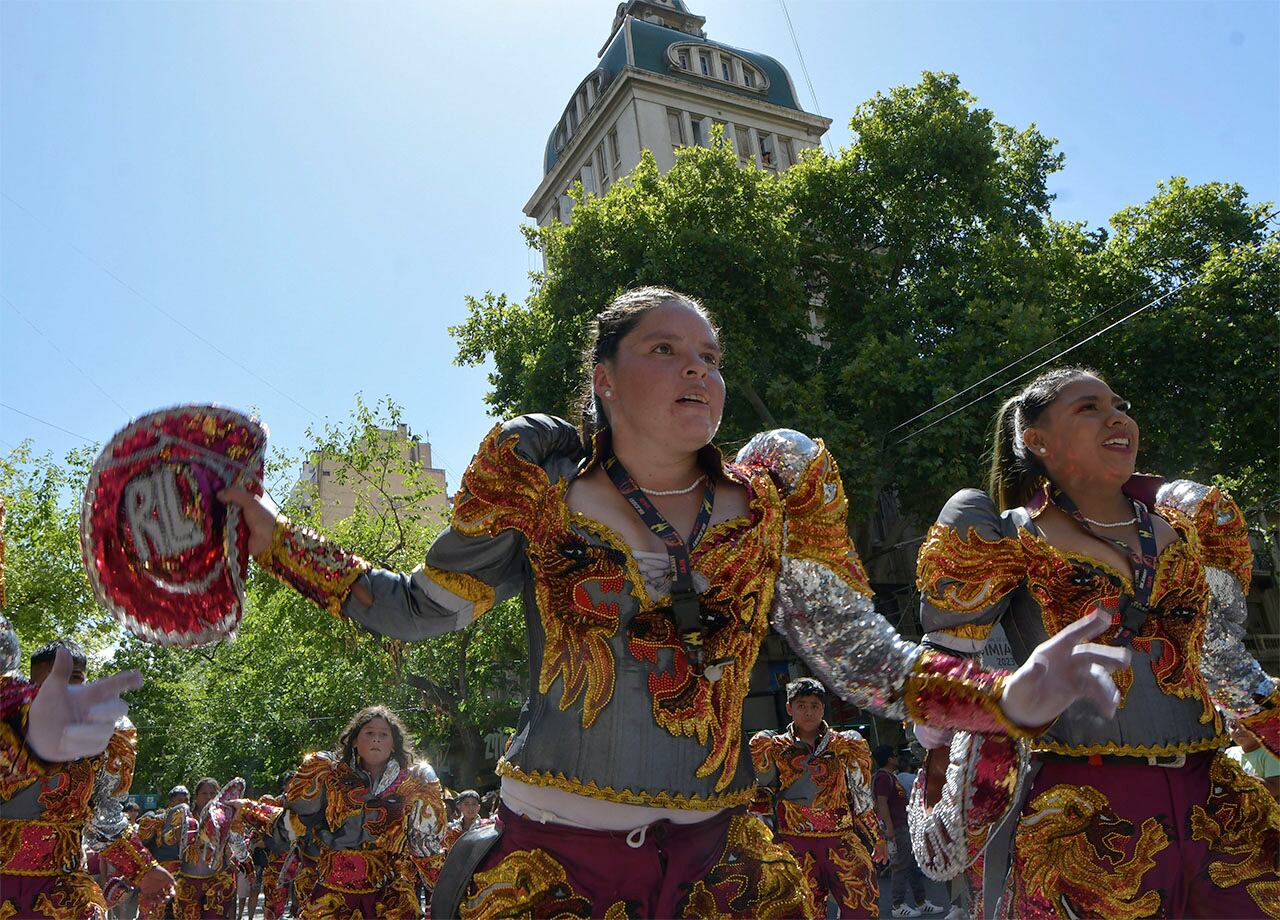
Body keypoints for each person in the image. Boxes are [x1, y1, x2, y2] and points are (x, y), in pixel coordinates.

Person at [220, 287, 1128, 919]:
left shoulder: (775, 496)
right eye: (665, 350)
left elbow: (867, 661)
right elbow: (418, 608)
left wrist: (1004, 696)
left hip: (721, 871)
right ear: (603, 378)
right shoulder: (538, 483)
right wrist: (276, 541)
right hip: (551, 866)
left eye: (710, 357)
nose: (698, 371)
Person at [909, 367, 1280, 918]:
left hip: (1215, 810)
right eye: (1089, 407)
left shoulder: (1194, 527)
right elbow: (940, 696)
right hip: (1080, 819)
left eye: (1120, 404)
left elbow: (1223, 661)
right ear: (1036, 440)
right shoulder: (999, 534)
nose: (1117, 416)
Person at [0, 638, 173, 919]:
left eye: (74, 680)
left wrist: (144, 868)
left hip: (64, 887)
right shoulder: (6, 729)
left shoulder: (105, 741)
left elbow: (104, 821)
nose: (63, 692)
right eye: (49, 685)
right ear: (31, 686)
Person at [233, 705, 446, 919]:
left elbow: (426, 850)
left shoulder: (414, 784)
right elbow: (292, 824)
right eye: (369, 733)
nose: (376, 740)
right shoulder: (328, 776)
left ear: (394, 744)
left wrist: (452, 892)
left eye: (383, 734)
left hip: (388, 899)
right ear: (354, 741)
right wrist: (248, 810)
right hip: (332, 897)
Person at [751, 677, 886, 918]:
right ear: (789, 708)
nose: (809, 712)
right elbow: (760, 799)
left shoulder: (846, 744)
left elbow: (861, 797)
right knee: (804, 913)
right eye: (801, 705)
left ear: (823, 709)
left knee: (862, 910)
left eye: (815, 705)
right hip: (795, 845)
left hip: (842, 841)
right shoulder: (772, 747)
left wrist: (878, 838)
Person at [874, 745, 941, 918]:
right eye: (895, 755)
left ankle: (921, 901)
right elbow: (882, 804)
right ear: (889, 758)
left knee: (911, 865)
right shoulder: (883, 778)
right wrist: (889, 828)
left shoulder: (890, 777)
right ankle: (897, 905)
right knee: (900, 865)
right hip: (897, 827)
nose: (897, 758)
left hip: (903, 826)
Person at [172, 777, 238, 919]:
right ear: (196, 796)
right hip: (188, 880)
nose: (208, 797)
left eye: (212, 793)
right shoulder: (186, 817)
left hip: (216, 880)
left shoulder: (226, 819)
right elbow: (170, 839)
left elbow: (233, 844)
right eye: (204, 793)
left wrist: (231, 855)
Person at [1225, 717, 1280, 800]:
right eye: (1233, 726)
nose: (1239, 731)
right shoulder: (1229, 752)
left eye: (1245, 726)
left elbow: (1275, 789)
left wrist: (1243, 777)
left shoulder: (1269, 754)